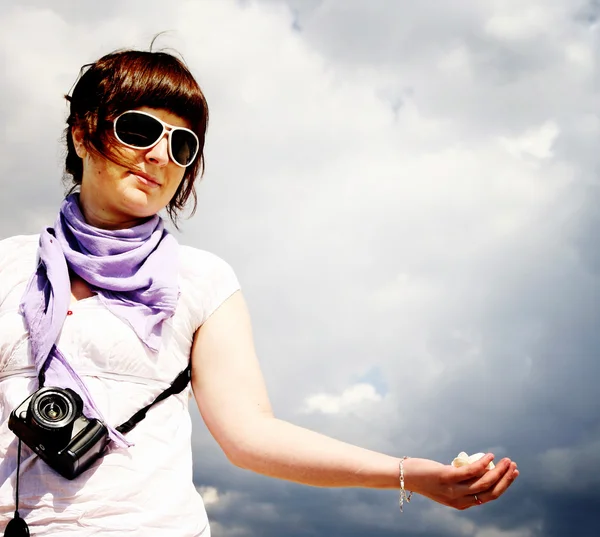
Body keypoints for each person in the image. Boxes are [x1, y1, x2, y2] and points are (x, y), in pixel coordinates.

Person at [0, 48, 519, 536]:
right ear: (83, 135)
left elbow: (251, 435)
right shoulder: (8, 265)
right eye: (139, 129)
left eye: (182, 144)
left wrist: (407, 473)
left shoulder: (202, 280)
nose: (160, 155)